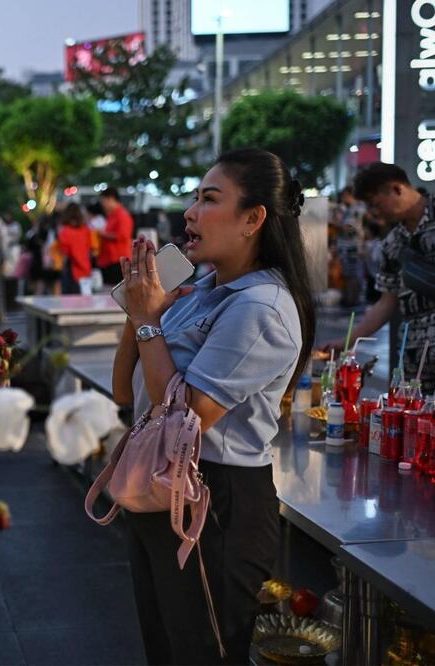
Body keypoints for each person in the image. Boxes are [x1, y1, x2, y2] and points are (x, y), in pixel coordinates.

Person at [112, 148, 315, 664]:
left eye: (208, 199)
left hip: (215, 501)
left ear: (253, 219)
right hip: (161, 490)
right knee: (165, 649)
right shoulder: (201, 289)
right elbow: (123, 391)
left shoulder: (262, 307)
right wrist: (138, 308)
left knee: (204, 653)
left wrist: (149, 321)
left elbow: (186, 420)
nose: (190, 212)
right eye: (194, 198)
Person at [320, 162, 435, 393]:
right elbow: (386, 303)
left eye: (376, 204)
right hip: (414, 355)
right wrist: (346, 343)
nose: (375, 213)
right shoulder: (392, 242)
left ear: (396, 189)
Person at [97, 187, 134, 284]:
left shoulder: (122, 215)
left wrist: (103, 234)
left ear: (111, 199)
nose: (103, 205)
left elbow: (123, 236)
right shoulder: (112, 216)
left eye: (103, 201)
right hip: (109, 261)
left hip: (118, 261)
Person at [56, 202, 93, 294]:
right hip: (86, 269)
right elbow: (90, 248)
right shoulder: (86, 230)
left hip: (71, 270)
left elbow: (63, 251)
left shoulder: (65, 231)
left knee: (69, 301)